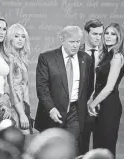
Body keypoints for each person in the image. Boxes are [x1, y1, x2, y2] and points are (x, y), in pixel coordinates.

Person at [34, 26, 92, 154]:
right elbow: (42, 87)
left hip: (75, 112)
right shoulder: (47, 58)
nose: (75, 45)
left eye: (78, 42)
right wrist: (51, 108)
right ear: (62, 39)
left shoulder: (86, 59)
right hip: (53, 112)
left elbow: (89, 87)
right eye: (72, 42)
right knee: (51, 151)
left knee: (70, 149)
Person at [88, 23, 124, 156]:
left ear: (119, 38)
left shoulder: (117, 56)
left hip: (109, 105)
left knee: (106, 146)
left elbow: (109, 87)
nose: (108, 36)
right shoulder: (105, 55)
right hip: (100, 102)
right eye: (106, 33)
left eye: (113, 34)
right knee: (97, 146)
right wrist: (93, 99)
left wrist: (92, 104)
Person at [79, 18, 104, 154]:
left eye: (100, 34)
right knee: (82, 144)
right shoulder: (77, 52)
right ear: (86, 33)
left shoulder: (106, 54)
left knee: (101, 146)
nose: (98, 38)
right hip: (81, 105)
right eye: (95, 34)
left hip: (102, 103)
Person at [4, 23, 33, 134]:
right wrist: (21, 114)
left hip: (22, 105)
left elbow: (23, 87)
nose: (20, 39)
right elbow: (13, 88)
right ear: (10, 38)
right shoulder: (10, 59)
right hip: (14, 108)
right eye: (16, 36)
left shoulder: (21, 59)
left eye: (23, 36)